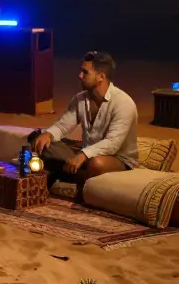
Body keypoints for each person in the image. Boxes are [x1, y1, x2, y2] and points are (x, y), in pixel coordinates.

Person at [29, 51, 138, 201]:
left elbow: (113, 144)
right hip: (86, 153)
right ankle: (74, 172)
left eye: (85, 72)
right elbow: (63, 126)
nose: (80, 75)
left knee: (97, 163)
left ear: (101, 77)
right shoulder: (80, 99)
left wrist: (83, 155)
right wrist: (48, 135)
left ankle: (69, 175)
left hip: (117, 159)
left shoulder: (123, 103)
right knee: (38, 139)